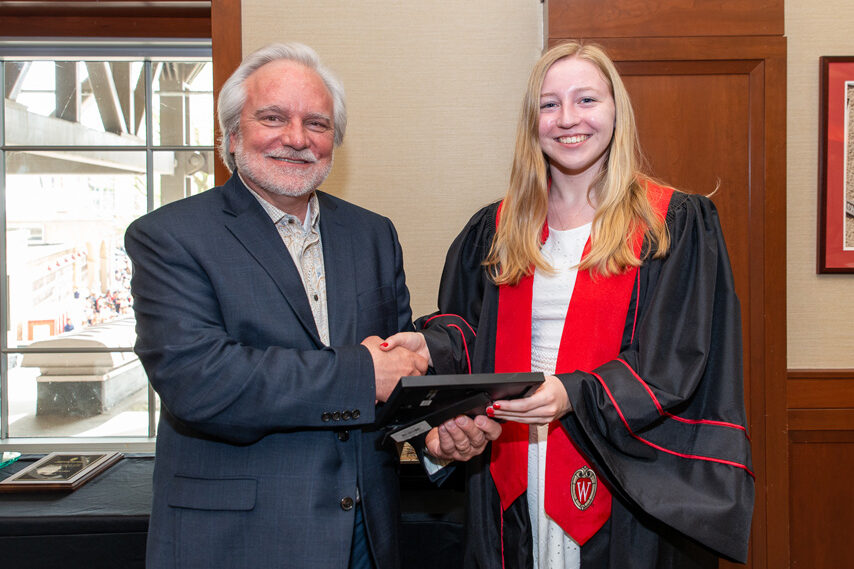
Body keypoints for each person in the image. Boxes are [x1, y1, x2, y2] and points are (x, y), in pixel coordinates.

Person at [382, 41, 754, 568]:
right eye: (549, 104)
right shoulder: (496, 229)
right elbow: (470, 332)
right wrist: (429, 344)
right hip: (516, 463)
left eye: (586, 100)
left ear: (615, 111)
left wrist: (574, 393)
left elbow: (677, 360)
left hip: (624, 473)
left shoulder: (671, 225)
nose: (567, 119)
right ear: (531, 122)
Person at [126, 43, 493, 569]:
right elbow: (200, 380)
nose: (296, 138)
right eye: (273, 117)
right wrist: (362, 371)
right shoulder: (169, 236)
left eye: (316, 123)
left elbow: (393, 399)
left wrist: (433, 446)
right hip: (237, 541)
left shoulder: (372, 234)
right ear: (232, 134)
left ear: (333, 142)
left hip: (366, 537)